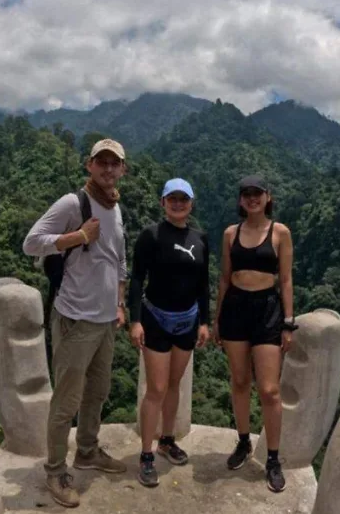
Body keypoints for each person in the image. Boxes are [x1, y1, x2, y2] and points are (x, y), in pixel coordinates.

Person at [22, 138, 130, 508]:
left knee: (97, 393)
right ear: (90, 165)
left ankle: (87, 450)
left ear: (123, 170)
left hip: (104, 322)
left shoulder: (116, 207)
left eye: (114, 164)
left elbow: (118, 258)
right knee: (66, 401)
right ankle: (54, 470)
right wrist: (78, 236)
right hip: (74, 320)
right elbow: (32, 243)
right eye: (102, 162)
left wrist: (120, 302)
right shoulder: (73, 203)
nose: (108, 169)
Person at [213, 175, 297, 493]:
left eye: (257, 194)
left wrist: (288, 322)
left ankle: (273, 458)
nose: (252, 199)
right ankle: (244, 441)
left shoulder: (280, 233)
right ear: (240, 200)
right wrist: (218, 317)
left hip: (267, 310)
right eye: (246, 194)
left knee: (270, 390)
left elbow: (286, 279)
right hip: (235, 306)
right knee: (239, 381)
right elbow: (224, 277)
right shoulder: (230, 233)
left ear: (267, 197)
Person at [127, 178, 211, 487]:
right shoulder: (151, 235)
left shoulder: (200, 238)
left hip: (188, 319)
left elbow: (204, 283)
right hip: (156, 318)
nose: (178, 203)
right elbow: (137, 278)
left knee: (174, 384)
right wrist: (134, 321)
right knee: (157, 388)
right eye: (172, 198)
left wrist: (205, 321)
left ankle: (167, 439)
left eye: (183, 199)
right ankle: (146, 454)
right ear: (163, 202)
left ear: (191, 203)